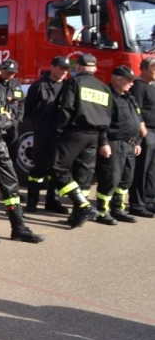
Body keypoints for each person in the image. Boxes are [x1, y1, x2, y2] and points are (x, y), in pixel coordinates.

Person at [0, 55, 44, 244]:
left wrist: (5, 119)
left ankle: (19, 227)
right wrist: (4, 119)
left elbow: (7, 115)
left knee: (11, 185)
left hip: (0, 142)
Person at [51, 53, 110, 228]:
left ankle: (84, 206)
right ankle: (77, 216)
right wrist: (103, 140)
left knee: (57, 168)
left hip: (74, 133)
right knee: (83, 176)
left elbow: (66, 108)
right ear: (95, 69)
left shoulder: (74, 82)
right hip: (95, 135)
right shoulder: (103, 87)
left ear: (77, 67)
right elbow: (108, 115)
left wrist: (58, 129)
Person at [93, 65, 142, 225]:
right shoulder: (107, 96)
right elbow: (102, 124)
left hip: (130, 144)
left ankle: (118, 209)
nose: (132, 84)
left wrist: (137, 141)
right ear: (117, 79)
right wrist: (104, 143)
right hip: (114, 143)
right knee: (110, 178)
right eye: (129, 80)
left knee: (125, 179)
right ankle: (102, 211)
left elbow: (136, 119)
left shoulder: (129, 97)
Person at [23, 56, 71, 213]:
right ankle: (32, 202)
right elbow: (28, 111)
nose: (64, 72)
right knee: (38, 169)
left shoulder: (68, 86)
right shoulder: (39, 86)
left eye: (66, 69)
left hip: (61, 134)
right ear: (52, 67)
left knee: (56, 169)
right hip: (43, 134)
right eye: (61, 68)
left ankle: (53, 202)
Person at [128, 57, 155, 218]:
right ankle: (137, 204)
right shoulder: (138, 87)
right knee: (141, 169)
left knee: (152, 170)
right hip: (146, 133)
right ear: (144, 69)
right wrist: (143, 133)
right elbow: (135, 111)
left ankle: (149, 200)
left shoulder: (152, 87)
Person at [0, 59, 24, 152]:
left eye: (12, 73)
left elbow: (21, 101)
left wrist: (18, 119)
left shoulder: (16, 83)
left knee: (13, 151)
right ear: (1, 70)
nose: (9, 76)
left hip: (13, 123)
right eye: (7, 72)